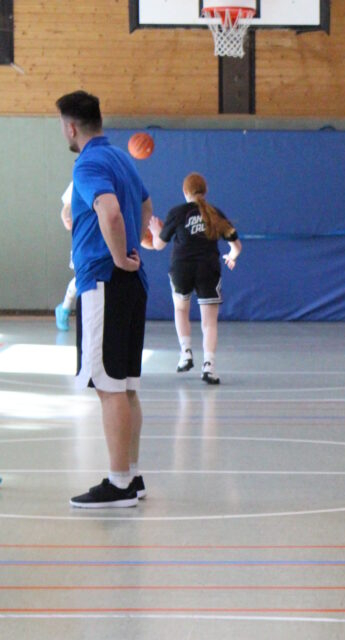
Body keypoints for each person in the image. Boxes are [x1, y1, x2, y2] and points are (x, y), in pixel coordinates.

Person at [56, 90, 153, 508]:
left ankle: (118, 484)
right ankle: (132, 476)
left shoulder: (88, 163)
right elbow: (146, 206)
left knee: (109, 387)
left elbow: (110, 212)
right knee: (126, 387)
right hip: (131, 284)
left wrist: (117, 255)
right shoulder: (121, 159)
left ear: (71, 128)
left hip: (104, 281)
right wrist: (132, 248)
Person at [147, 172, 241, 386]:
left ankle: (186, 353)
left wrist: (156, 231)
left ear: (184, 191)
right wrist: (231, 257)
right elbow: (236, 246)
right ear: (205, 191)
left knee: (181, 310)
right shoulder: (215, 213)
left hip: (182, 267)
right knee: (209, 322)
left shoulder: (177, 212)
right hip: (208, 268)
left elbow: (158, 245)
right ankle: (209, 366)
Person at [54, 182, 78, 331]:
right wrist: (66, 219)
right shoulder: (79, 179)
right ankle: (64, 308)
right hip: (82, 237)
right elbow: (66, 208)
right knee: (81, 276)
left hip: (105, 237)